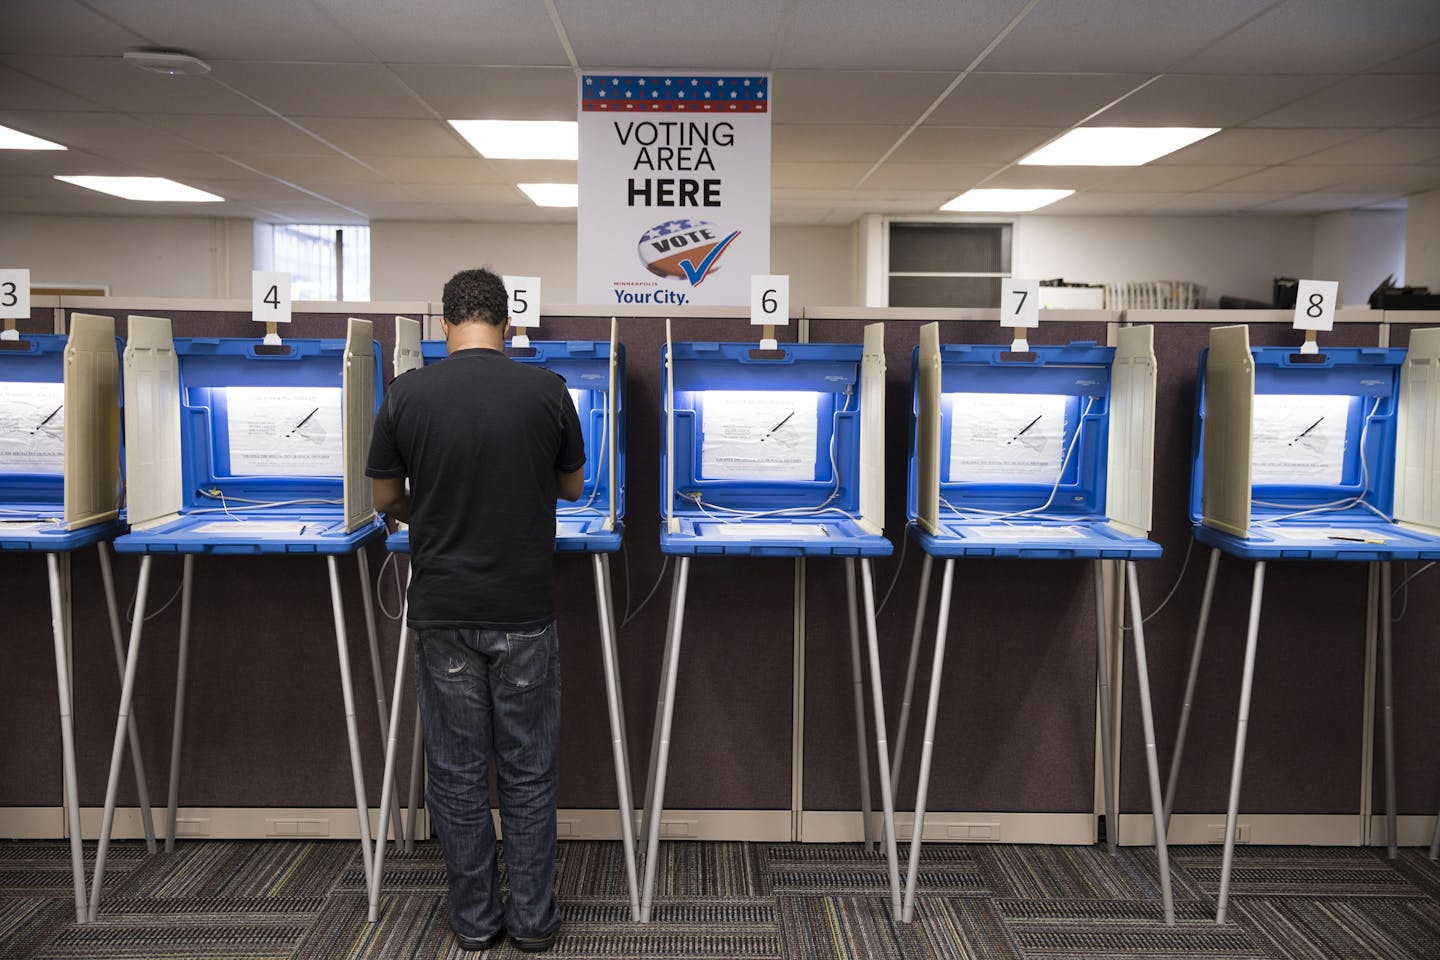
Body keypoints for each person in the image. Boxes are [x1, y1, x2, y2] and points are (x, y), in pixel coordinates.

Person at [367, 268, 584, 953]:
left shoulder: (406, 394)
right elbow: (574, 488)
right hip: (523, 609)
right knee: (528, 769)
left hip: (443, 610)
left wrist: (426, 512)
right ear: (506, 315)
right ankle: (533, 921)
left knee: (457, 773)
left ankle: (475, 921)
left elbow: (383, 498)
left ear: (444, 319)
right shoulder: (547, 391)